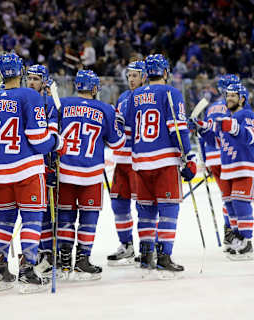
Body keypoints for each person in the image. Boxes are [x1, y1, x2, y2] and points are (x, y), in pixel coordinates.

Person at [0, 52, 62, 293]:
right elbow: (38, 139)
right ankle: (27, 269)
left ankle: (0, 268)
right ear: (22, 72)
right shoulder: (30, 95)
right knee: (31, 218)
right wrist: (57, 142)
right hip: (27, 169)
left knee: (3, 221)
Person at [124, 54, 196, 275]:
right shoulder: (171, 93)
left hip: (139, 162)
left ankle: (146, 256)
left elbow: (127, 133)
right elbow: (176, 128)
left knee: (145, 211)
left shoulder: (134, 96)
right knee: (168, 209)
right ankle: (164, 256)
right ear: (165, 73)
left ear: (147, 73)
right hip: (164, 161)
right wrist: (189, 158)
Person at [57, 70, 126, 280]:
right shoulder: (106, 109)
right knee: (89, 217)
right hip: (92, 173)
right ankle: (82, 260)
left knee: (65, 216)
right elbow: (117, 144)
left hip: (65, 171)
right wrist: (119, 126)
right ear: (95, 88)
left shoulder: (62, 105)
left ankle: (65, 259)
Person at [196, 83, 254, 260]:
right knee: (231, 205)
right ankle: (238, 237)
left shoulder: (247, 114)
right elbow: (215, 140)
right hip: (228, 168)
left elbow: (251, 135)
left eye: (233, 95)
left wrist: (232, 126)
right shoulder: (225, 118)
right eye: (228, 95)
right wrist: (200, 127)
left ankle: (247, 241)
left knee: (240, 202)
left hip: (245, 166)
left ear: (242, 98)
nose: (229, 98)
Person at [107, 60, 146, 266]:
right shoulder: (123, 97)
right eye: (129, 75)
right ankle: (127, 245)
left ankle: (148, 247)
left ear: (144, 77)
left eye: (135, 75)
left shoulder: (148, 96)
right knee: (118, 204)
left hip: (139, 160)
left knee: (143, 206)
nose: (131, 79)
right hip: (121, 159)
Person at [194, 74, 240, 252]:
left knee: (227, 197)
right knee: (235, 198)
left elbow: (202, 135)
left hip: (213, 158)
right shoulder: (235, 106)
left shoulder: (211, 107)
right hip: (228, 156)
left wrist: (205, 161)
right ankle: (233, 232)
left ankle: (230, 233)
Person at [26, 64, 58, 278]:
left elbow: (54, 136)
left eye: (36, 79)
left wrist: (52, 163)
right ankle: (36, 253)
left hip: (45, 163)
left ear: (44, 81)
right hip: (28, 164)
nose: (31, 82)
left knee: (47, 212)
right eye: (28, 78)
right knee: (34, 212)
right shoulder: (25, 100)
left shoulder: (50, 105)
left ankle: (48, 253)